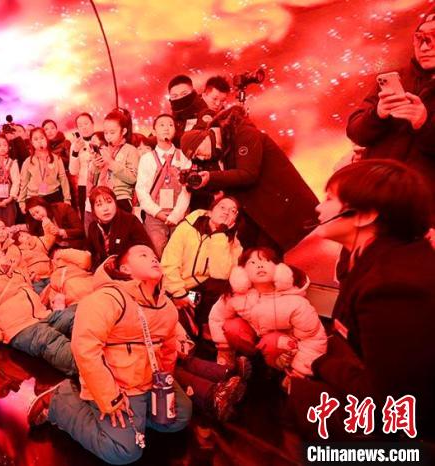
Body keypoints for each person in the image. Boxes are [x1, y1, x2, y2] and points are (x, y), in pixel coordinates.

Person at [288, 159, 435, 440]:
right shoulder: (367, 256)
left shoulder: (394, 286)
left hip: (408, 423)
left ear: (365, 214)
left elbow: (391, 398)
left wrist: (319, 365)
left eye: (329, 198)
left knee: (303, 398)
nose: (318, 208)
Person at [27, 245, 192, 465]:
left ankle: (134, 421)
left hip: (149, 380)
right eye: (143, 255)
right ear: (125, 269)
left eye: (155, 256)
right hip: (117, 384)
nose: (154, 259)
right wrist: (109, 397)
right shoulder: (107, 298)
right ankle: (59, 400)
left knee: (180, 417)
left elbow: (169, 348)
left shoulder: (166, 306)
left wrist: (164, 385)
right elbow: (85, 349)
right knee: (124, 451)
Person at [180, 106, 319, 253]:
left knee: (279, 258)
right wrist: (204, 184)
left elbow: (248, 174)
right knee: (260, 257)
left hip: (286, 209)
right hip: (264, 214)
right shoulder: (225, 147)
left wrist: (211, 177)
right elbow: (232, 180)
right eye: (197, 157)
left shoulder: (244, 134)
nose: (202, 158)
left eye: (198, 152)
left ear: (204, 138)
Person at [346, 12, 435, 212]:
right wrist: (377, 115)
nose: (424, 47)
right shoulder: (396, 78)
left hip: (419, 209)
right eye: (419, 38)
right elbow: (355, 131)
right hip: (371, 195)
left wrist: (424, 124)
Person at [208, 248, 327, 381]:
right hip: (256, 339)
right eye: (252, 263)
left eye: (266, 261)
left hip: (284, 348)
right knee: (232, 326)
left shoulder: (296, 302)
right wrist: (224, 350)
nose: (260, 266)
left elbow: (314, 338)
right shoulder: (237, 296)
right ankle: (249, 361)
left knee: (271, 341)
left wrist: (299, 372)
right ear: (243, 273)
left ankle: (276, 371)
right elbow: (217, 317)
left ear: (279, 269)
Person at [0, 249, 77, 376]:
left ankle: (94, 344)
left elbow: (30, 290)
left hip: (43, 315)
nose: (4, 257)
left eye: (3, 254)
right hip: (20, 327)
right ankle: (87, 366)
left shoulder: (17, 272)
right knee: (49, 339)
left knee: (72, 317)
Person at [161, 197, 243, 336]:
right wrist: (178, 293)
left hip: (205, 294)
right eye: (222, 207)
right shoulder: (186, 228)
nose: (226, 212)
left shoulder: (233, 243)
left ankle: (205, 332)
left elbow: (220, 274)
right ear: (210, 212)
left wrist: (220, 234)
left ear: (234, 219)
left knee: (219, 286)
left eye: (232, 211)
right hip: (177, 288)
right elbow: (169, 263)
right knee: (180, 328)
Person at [135, 114, 192, 257]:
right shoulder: (147, 159)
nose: (166, 128)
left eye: (170, 125)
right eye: (162, 125)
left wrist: (176, 215)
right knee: (157, 251)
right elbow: (141, 190)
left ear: (175, 130)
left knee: (180, 254)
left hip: (180, 215)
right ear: (154, 131)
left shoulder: (184, 156)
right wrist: (157, 212)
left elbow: (187, 189)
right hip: (154, 216)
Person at [86, 187, 153, 270]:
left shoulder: (130, 221)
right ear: (93, 210)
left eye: (109, 202)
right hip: (106, 270)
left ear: (115, 203)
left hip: (132, 268)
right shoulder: (93, 227)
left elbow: (145, 249)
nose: (105, 208)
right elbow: (90, 252)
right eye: (99, 205)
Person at [88, 110, 139, 213]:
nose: (108, 136)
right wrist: (95, 166)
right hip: (101, 196)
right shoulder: (104, 150)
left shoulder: (130, 150)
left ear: (123, 131)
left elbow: (133, 178)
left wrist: (111, 163)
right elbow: (93, 180)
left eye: (112, 132)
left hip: (121, 197)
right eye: (105, 133)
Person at [19, 127, 71, 211]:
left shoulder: (56, 158)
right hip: (34, 198)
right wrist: (21, 202)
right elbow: (24, 182)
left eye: (42, 138)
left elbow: (63, 179)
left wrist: (67, 199)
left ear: (46, 139)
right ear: (32, 142)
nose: (39, 141)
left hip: (54, 195)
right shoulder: (28, 161)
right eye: (36, 139)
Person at [69, 112, 97, 220]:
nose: (84, 127)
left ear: (92, 123)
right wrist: (76, 151)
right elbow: (73, 171)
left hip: (99, 184)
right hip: (84, 185)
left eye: (86, 123)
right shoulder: (75, 145)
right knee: (86, 217)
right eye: (80, 125)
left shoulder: (100, 140)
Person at [167, 74, 209, 144]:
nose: (180, 98)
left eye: (184, 94)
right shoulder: (172, 119)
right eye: (175, 96)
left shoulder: (205, 114)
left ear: (193, 91)